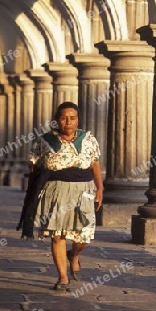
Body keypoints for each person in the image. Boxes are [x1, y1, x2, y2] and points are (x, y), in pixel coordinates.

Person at [23, 101, 103, 291]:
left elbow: (95, 164)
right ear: (57, 120)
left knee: (83, 237)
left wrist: (100, 188)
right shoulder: (44, 141)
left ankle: (74, 255)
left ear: (78, 120)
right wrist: (32, 194)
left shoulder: (88, 140)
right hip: (55, 191)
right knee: (57, 235)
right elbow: (34, 167)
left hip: (83, 191)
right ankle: (62, 277)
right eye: (63, 118)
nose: (68, 122)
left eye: (72, 118)